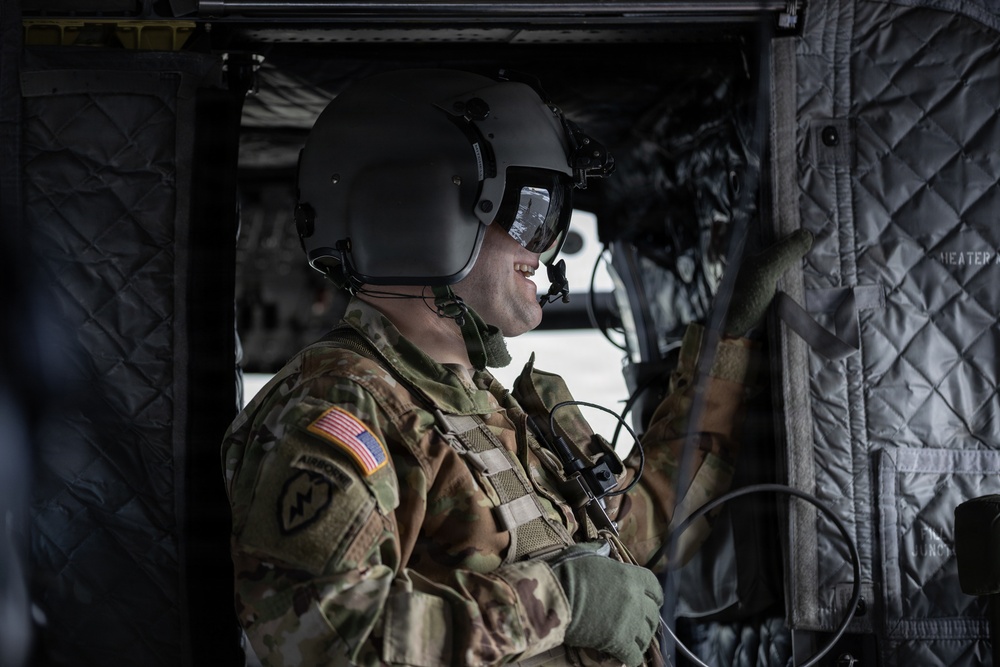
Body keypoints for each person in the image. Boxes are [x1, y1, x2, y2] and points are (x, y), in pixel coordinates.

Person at [221, 68, 811, 667]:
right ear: (421, 214)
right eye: (533, 211)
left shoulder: (483, 406)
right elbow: (322, 635)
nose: (544, 246)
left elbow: (631, 533)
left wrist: (725, 348)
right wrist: (558, 604)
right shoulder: (339, 408)